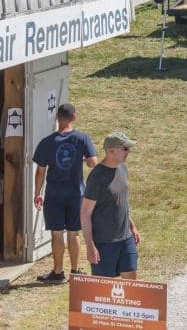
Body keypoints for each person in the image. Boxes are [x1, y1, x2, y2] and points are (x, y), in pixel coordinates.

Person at [32, 103, 98, 283]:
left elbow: (40, 170)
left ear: (56, 118)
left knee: (56, 233)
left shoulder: (47, 142)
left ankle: (58, 272)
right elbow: (93, 163)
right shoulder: (82, 139)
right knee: (73, 233)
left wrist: (37, 193)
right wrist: (83, 158)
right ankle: (75, 270)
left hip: (54, 195)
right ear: (74, 117)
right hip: (76, 193)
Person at [81, 132, 140, 279]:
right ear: (111, 150)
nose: (128, 152)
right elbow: (85, 213)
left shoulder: (122, 168)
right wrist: (90, 246)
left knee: (131, 279)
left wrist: (132, 227)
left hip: (125, 239)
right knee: (105, 288)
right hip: (104, 242)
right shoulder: (97, 177)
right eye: (125, 148)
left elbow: (121, 202)